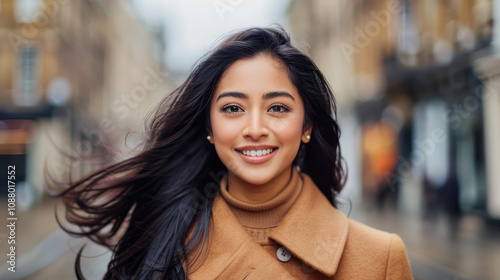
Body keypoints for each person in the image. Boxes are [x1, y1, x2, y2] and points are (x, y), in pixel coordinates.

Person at [47, 26, 413, 279]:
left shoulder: (380, 258)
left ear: (307, 127)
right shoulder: (159, 239)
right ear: (208, 127)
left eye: (278, 108)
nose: (255, 128)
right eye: (233, 109)